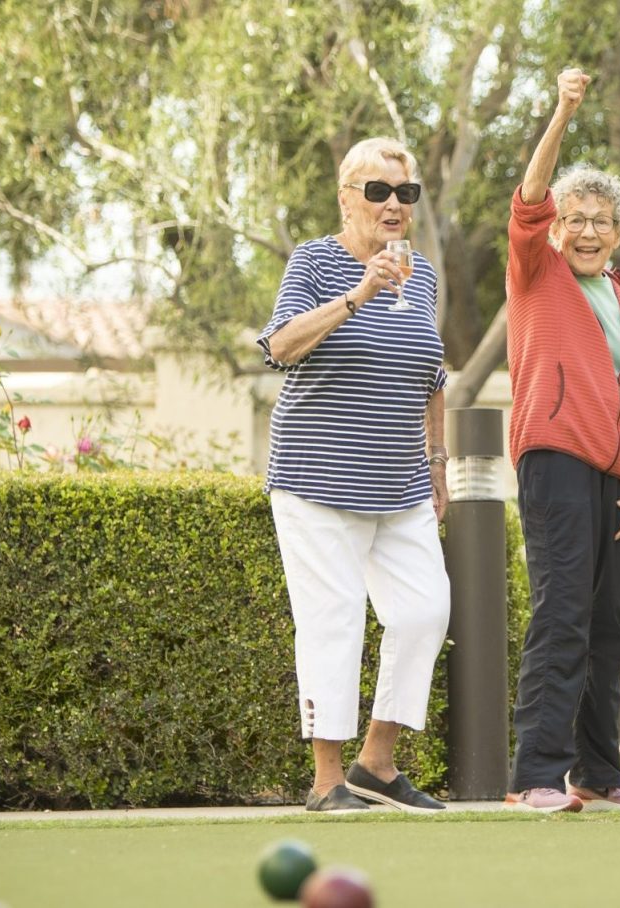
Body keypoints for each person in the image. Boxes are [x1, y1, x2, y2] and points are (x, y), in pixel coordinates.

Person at [256, 137, 451, 814]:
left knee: (425, 610)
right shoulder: (314, 261)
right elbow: (279, 346)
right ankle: (325, 782)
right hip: (317, 478)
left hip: (400, 484)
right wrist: (358, 293)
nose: (394, 205)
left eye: (406, 193)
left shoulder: (422, 274)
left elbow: (433, 374)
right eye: (378, 191)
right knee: (333, 621)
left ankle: (376, 761)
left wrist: (438, 466)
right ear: (347, 198)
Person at [502, 68, 620, 813]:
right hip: (557, 457)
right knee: (562, 610)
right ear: (557, 228)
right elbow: (528, 198)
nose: (589, 230)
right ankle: (535, 774)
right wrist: (564, 109)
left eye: (603, 219)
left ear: (619, 232)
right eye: (577, 218)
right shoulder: (537, 269)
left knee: (608, 627)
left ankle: (599, 775)